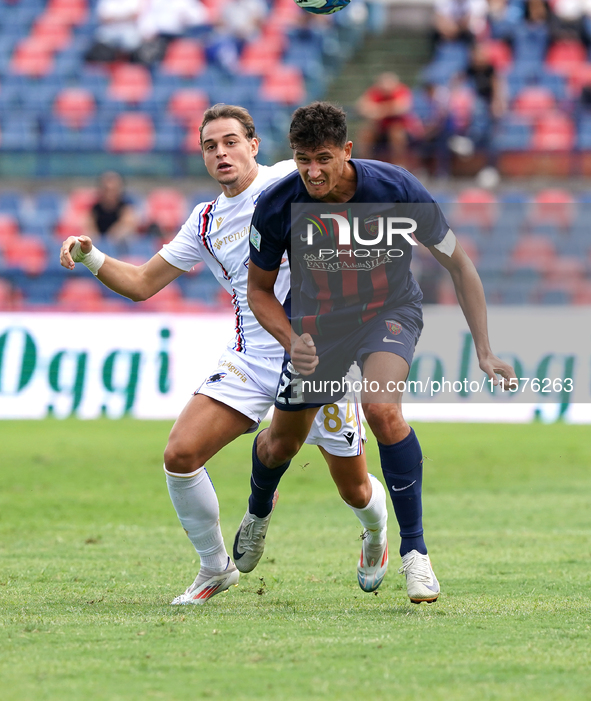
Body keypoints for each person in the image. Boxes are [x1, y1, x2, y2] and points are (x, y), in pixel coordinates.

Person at [59, 104, 389, 605]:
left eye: (231, 141)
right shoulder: (206, 220)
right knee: (180, 454)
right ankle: (215, 567)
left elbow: (353, 187)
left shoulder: (292, 179)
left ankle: (376, 532)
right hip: (252, 358)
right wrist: (90, 255)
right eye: (211, 146)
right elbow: (143, 283)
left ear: (254, 145)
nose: (222, 153)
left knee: (355, 489)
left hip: (320, 357)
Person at [236, 102, 517, 603]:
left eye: (323, 158)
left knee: (382, 409)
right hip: (316, 326)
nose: (313, 171)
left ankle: (416, 555)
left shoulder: (397, 189)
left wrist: (486, 351)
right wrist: (290, 340)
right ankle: (258, 511)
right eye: (302, 159)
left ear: (347, 151)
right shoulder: (278, 204)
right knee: (281, 445)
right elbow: (257, 291)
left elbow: (460, 265)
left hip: (388, 311)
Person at [82, 171, 138, 246]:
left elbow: (127, 226)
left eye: (113, 190)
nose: (110, 194)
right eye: (107, 190)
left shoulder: (125, 208)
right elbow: (89, 229)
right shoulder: (94, 209)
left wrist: (111, 238)